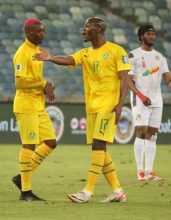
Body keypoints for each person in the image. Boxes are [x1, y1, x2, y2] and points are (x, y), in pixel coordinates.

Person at [35, 17, 129, 203]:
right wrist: (51, 57)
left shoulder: (116, 51)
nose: (83, 30)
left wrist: (120, 105)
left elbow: (124, 79)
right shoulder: (85, 53)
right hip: (92, 107)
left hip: (108, 106)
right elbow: (69, 59)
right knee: (101, 150)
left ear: (98, 29)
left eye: (87, 27)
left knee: (98, 146)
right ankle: (117, 191)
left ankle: (87, 191)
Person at [11, 18, 58, 201]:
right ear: (29, 32)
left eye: (43, 31)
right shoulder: (21, 53)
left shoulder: (39, 52)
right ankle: (26, 192)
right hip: (26, 105)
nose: (43, 34)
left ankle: (21, 177)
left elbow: (34, 79)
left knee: (50, 142)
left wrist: (45, 85)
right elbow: (20, 82)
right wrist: (43, 83)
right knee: (29, 146)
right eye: (39, 31)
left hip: (38, 105)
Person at [128, 24, 171, 181]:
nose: (152, 36)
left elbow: (166, 75)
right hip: (139, 99)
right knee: (141, 132)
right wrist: (141, 96)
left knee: (152, 135)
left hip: (157, 100)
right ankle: (140, 172)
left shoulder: (160, 57)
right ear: (141, 36)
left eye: (153, 34)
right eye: (148, 34)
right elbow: (128, 81)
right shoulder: (133, 55)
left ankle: (149, 172)